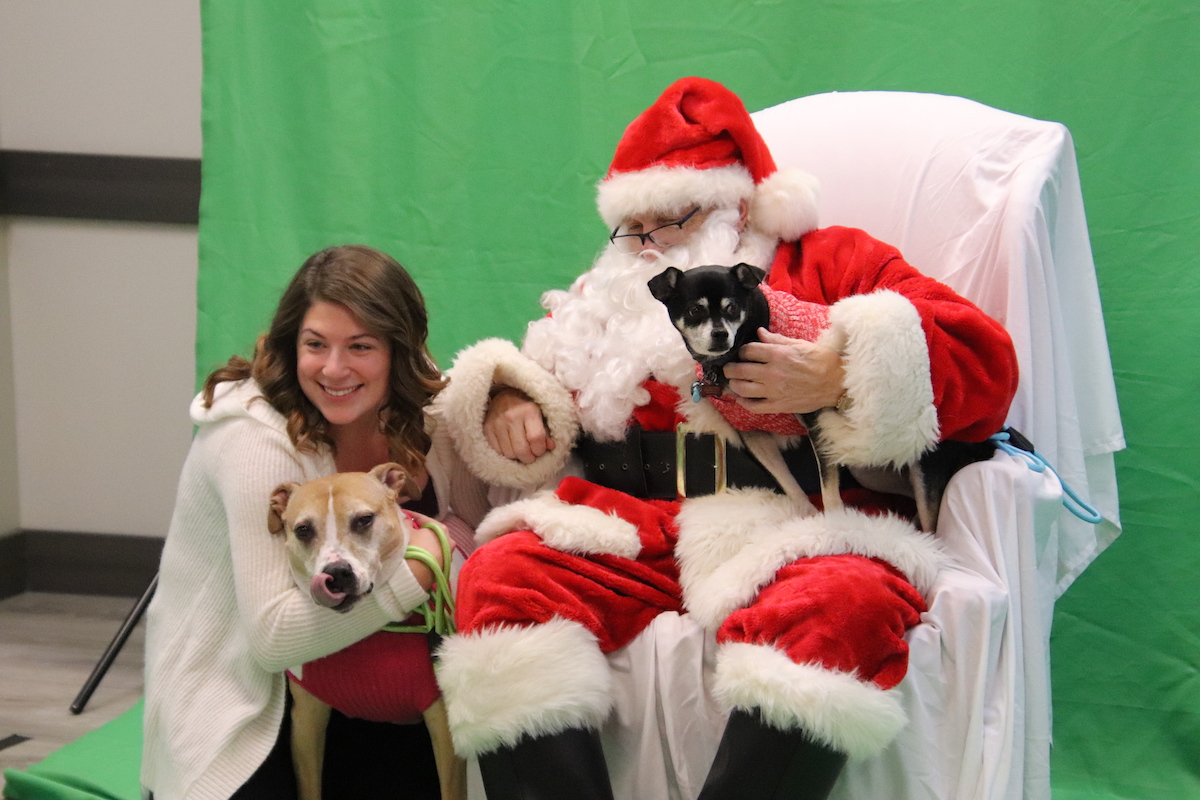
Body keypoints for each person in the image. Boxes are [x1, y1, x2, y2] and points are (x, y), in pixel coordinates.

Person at [430, 77, 1020, 800]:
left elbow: (986, 365)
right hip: (631, 528)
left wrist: (840, 371)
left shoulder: (829, 260)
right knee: (502, 580)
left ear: (734, 206)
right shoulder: (605, 300)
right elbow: (550, 376)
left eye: (673, 221)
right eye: (634, 229)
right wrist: (511, 398)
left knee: (845, 605)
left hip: (792, 522)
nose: (651, 247)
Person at [141, 245, 489, 800]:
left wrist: (514, 396)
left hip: (389, 690)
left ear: (399, 351)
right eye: (315, 345)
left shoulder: (425, 419)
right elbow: (274, 641)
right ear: (291, 344)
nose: (334, 368)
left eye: (360, 347)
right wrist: (418, 570)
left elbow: (480, 526)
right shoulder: (256, 439)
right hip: (256, 698)